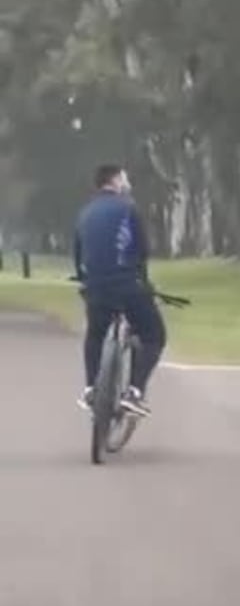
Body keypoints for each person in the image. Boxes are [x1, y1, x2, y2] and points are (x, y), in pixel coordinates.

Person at [73, 164, 166, 417]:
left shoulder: (85, 213)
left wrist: (85, 282)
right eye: (124, 178)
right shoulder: (128, 208)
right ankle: (134, 392)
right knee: (153, 335)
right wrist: (145, 284)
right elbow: (142, 250)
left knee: (94, 334)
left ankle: (91, 387)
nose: (127, 183)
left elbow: (78, 254)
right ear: (115, 181)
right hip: (127, 284)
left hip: (95, 287)